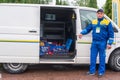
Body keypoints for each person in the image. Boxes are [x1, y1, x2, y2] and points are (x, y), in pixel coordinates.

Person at [79, 9, 114, 77]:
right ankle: (92, 71)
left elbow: (111, 34)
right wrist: (81, 33)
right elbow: (87, 29)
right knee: (93, 57)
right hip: (94, 42)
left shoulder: (107, 22)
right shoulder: (93, 21)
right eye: (98, 13)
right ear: (96, 14)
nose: (99, 15)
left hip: (102, 42)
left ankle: (101, 72)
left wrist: (110, 43)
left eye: (101, 13)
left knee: (102, 58)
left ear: (103, 14)